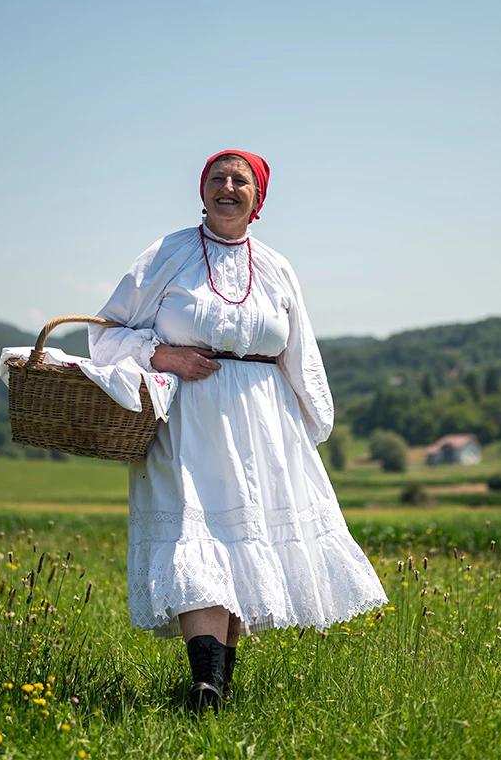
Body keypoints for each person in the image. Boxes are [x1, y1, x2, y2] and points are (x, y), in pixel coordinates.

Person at [89, 149, 387, 709]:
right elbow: (104, 335)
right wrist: (164, 356)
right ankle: (205, 681)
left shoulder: (275, 267)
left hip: (263, 425)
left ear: (258, 197)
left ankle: (216, 687)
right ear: (202, 190)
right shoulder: (167, 255)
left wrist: (308, 429)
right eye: (217, 178)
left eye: (239, 180)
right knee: (196, 540)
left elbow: (301, 352)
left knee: (241, 547)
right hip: (186, 420)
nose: (227, 187)